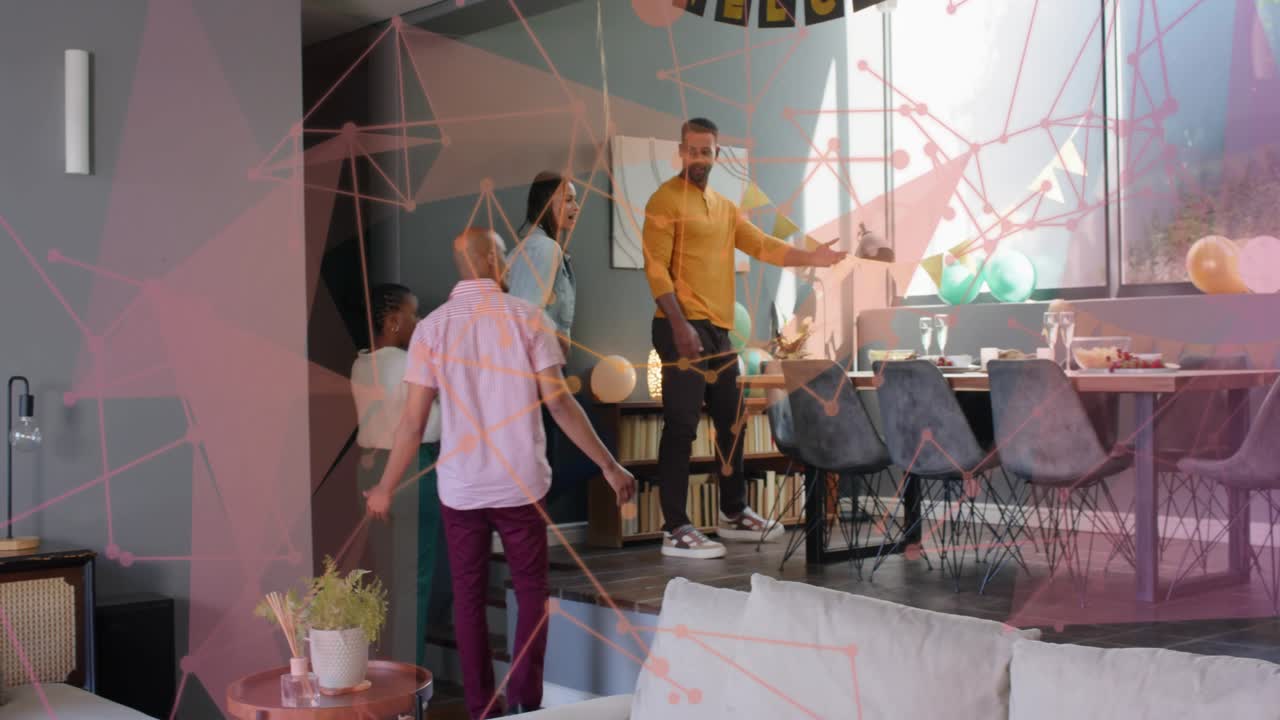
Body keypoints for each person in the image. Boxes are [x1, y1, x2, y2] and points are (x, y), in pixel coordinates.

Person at [366, 228, 636, 719]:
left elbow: (410, 424)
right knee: (531, 592)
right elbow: (560, 404)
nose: (511, 262)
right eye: (505, 254)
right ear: (491, 259)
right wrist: (609, 464)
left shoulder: (432, 329)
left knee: (469, 600)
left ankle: (481, 711)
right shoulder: (530, 319)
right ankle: (525, 704)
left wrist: (384, 487)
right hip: (520, 486)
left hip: (462, 489)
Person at [642, 117, 847, 559]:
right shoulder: (663, 200)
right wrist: (679, 325)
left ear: (717, 154)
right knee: (680, 425)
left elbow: (764, 246)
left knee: (730, 419)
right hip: (680, 326)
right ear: (682, 152)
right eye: (693, 150)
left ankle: (733, 512)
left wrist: (815, 257)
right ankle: (674, 526)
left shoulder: (723, 207)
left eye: (707, 151)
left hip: (719, 332)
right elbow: (656, 268)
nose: (700, 158)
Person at [349, 283, 448, 664]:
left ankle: (378, 671)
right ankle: (410, 681)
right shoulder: (408, 364)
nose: (419, 321)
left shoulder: (361, 363)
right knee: (414, 583)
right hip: (409, 471)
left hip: (368, 470)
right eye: (413, 313)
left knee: (382, 578)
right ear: (393, 322)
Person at [506, 171, 579, 358]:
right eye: (568, 200)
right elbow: (529, 314)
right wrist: (559, 340)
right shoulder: (545, 247)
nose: (576, 207)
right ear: (546, 204)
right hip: (540, 365)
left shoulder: (528, 248)